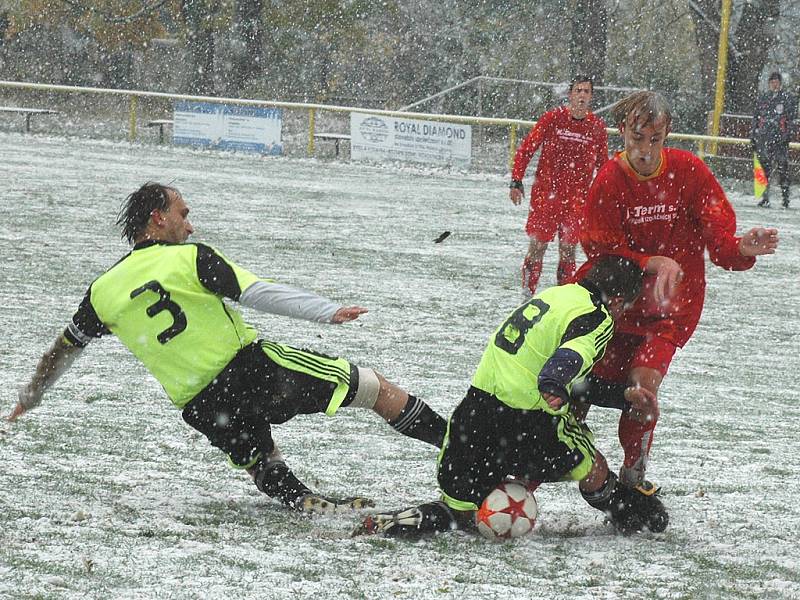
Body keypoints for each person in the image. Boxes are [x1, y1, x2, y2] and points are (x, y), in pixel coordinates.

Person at [7, 182, 448, 514]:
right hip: (251, 371)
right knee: (373, 389)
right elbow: (255, 292)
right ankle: (460, 448)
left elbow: (63, 349)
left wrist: (32, 395)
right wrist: (326, 311)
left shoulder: (102, 291)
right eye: (183, 213)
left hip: (200, 403)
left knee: (259, 459)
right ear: (158, 218)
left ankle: (309, 504)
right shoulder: (189, 257)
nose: (190, 224)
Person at [355, 256, 669, 537]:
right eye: (624, 307)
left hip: (474, 412)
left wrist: (620, 396)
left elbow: (564, 375)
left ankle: (404, 521)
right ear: (616, 300)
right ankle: (629, 511)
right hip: (528, 421)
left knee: (461, 512)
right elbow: (572, 356)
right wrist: (555, 381)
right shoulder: (597, 316)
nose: (620, 313)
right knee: (591, 464)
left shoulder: (555, 295)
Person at [571, 91, 779, 494]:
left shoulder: (690, 172)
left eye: (655, 139)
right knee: (575, 393)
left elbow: (720, 242)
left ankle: (633, 476)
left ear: (667, 135)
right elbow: (598, 251)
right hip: (614, 309)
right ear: (623, 133)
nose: (646, 150)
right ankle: (561, 466)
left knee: (642, 390)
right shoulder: (610, 180)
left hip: (668, 314)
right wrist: (650, 261)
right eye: (637, 138)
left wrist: (741, 247)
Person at [509, 75, 608, 297]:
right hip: (547, 196)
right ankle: (526, 295)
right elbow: (527, 148)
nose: (582, 95)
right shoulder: (552, 119)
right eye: (578, 91)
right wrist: (516, 179)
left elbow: (604, 167)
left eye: (586, 91)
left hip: (577, 200)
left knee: (568, 251)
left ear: (591, 96)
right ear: (571, 94)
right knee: (538, 247)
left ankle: (561, 299)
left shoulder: (597, 128)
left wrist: (604, 198)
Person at [751, 71, 796, 208]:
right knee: (764, 169)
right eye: (772, 82)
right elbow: (757, 117)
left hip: (780, 139)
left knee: (783, 167)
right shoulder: (763, 98)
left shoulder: (787, 98)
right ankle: (764, 197)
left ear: (780, 83)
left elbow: (790, 119)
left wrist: (787, 135)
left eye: (776, 82)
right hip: (765, 138)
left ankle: (785, 198)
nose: (774, 84)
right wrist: (754, 134)